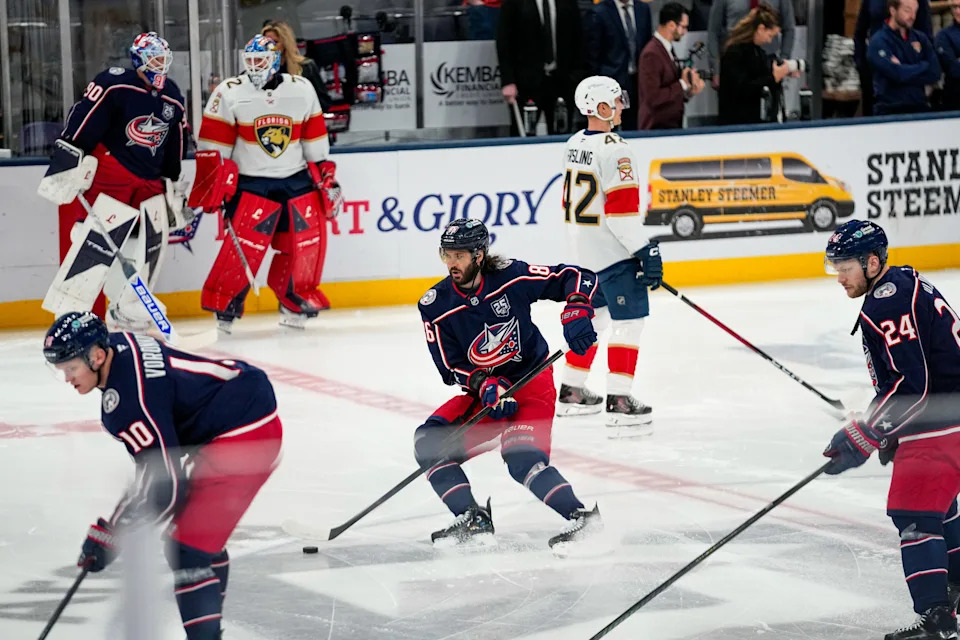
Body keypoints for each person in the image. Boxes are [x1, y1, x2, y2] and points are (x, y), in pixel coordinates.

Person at [43, 311, 282, 639]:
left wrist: (114, 533)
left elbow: (165, 485)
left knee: (188, 551)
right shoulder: (119, 344)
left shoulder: (127, 405)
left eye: (70, 368)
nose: (67, 378)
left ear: (97, 357)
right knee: (200, 539)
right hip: (241, 401)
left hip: (244, 434)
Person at [415, 218, 602, 554]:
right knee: (428, 443)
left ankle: (582, 518)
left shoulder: (511, 277)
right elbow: (448, 366)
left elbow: (578, 276)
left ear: (479, 255)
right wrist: (482, 382)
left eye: (459, 256)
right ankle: (472, 518)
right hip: (487, 396)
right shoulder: (436, 305)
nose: (452, 263)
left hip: (531, 383)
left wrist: (577, 306)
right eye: (447, 255)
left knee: (522, 457)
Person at [821, 219, 960, 640]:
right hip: (945, 413)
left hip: (941, 417)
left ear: (871, 262)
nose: (839, 277)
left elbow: (911, 386)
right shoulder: (899, 285)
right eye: (835, 267)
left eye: (845, 267)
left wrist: (867, 432)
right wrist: (890, 429)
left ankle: (937, 620)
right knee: (941, 507)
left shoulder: (889, 302)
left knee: (915, 513)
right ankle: (954, 591)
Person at [189, 34, 342, 333]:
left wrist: (325, 172)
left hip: (295, 180)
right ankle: (224, 307)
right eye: (250, 60)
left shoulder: (301, 88)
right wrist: (216, 185)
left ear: (275, 60)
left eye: (260, 60)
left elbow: (314, 143)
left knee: (303, 245)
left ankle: (294, 300)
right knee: (242, 250)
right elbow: (213, 149)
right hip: (251, 183)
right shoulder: (229, 92)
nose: (254, 66)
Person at [37, 32, 188, 330]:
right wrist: (71, 152)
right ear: (138, 60)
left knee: (148, 246)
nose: (160, 64)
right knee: (94, 242)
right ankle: (70, 313)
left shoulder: (171, 94)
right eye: (154, 58)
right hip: (112, 174)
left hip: (150, 182)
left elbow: (175, 141)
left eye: (163, 58)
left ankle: (128, 307)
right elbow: (85, 116)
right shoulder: (115, 83)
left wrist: (172, 178)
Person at [557, 76, 662, 435]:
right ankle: (619, 400)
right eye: (616, 101)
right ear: (601, 107)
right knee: (629, 322)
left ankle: (571, 390)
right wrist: (645, 250)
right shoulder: (617, 150)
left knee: (597, 318)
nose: (621, 108)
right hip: (612, 254)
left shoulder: (574, 142)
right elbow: (620, 214)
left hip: (583, 254)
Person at [496, 0, 584, 135]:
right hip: (525, 84)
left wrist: (576, 77)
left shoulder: (567, 2)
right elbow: (504, 42)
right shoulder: (514, 3)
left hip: (562, 82)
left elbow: (578, 39)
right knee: (523, 135)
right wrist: (508, 81)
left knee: (562, 134)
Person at [585, 0, 653, 130]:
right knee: (609, 129)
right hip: (610, 84)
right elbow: (593, 54)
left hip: (638, 82)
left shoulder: (643, 9)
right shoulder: (599, 12)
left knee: (635, 127)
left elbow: (647, 46)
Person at [856, 0, 932, 115]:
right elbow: (859, 34)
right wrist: (861, 66)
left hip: (909, 76)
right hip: (875, 71)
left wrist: (917, 69)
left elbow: (926, 36)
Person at [717, 5, 791, 125]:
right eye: (770, 35)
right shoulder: (734, 52)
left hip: (753, 119)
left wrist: (783, 71)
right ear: (761, 29)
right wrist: (773, 78)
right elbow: (742, 89)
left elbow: (764, 77)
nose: (769, 41)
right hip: (735, 122)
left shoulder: (758, 52)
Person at [638, 2, 705, 130]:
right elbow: (653, 98)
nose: (685, 32)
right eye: (683, 27)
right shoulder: (651, 54)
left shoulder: (667, 49)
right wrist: (683, 84)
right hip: (656, 128)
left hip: (669, 125)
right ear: (671, 25)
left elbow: (670, 90)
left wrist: (689, 92)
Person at [707, 0, 795, 91]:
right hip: (736, 61)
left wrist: (783, 61)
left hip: (769, 62)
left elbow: (788, 28)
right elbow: (713, 31)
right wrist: (716, 69)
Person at [261, 20, 331, 113]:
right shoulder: (259, 70)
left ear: (285, 43)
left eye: (275, 42)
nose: (270, 47)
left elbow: (324, 101)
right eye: (266, 43)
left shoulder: (306, 67)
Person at [935, 0, 960, 111]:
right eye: (954, 7)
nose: (957, 11)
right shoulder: (944, 35)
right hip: (955, 103)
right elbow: (954, 69)